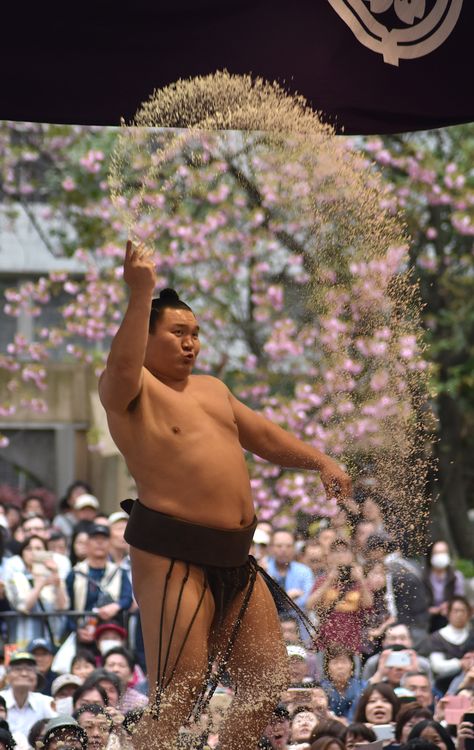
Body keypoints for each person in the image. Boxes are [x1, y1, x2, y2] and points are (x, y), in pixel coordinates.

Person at [98, 242, 351, 750]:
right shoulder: (128, 390)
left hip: (235, 556)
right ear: (144, 340)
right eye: (177, 333)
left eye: (195, 335)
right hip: (172, 554)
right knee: (180, 692)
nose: (191, 344)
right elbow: (122, 365)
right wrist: (140, 291)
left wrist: (320, 461)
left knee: (267, 683)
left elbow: (263, 435)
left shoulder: (213, 389)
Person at [4, 536, 69, 645]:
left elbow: (62, 606)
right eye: (29, 549)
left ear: (46, 552)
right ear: (22, 553)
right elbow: (23, 606)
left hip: (50, 641)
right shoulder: (16, 577)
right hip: (22, 640)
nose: (33, 553)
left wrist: (56, 577)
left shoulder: (54, 577)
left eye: (38, 548)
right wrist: (41, 584)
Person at [0, 652, 56, 737]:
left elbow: (56, 730)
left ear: (36, 676)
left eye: (29, 670)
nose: (24, 674)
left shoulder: (46, 702)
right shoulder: (1, 699)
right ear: (8, 675)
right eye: (18, 669)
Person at [422, 542, 466, 633]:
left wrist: (449, 606)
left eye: (443, 552)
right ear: (430, 555)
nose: (440, 556)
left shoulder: (456, 576)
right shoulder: (423, 577)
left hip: (449, 616)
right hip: (428, 619)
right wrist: (429, 610)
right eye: (437, 553)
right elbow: (418, 601)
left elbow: (460, 599)